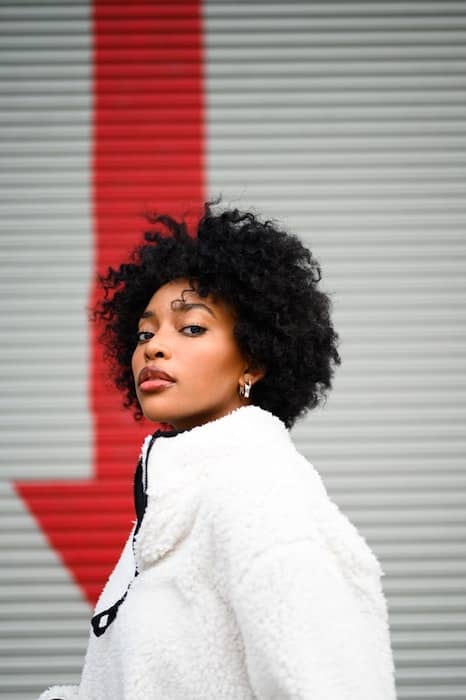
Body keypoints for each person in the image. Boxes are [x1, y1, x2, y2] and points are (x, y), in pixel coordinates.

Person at [39, 203, 397, 699]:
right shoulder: (170, 504)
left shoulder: (260, 497)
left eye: (191, 328)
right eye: (145, 332)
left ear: (253, 359)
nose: (154, 347)